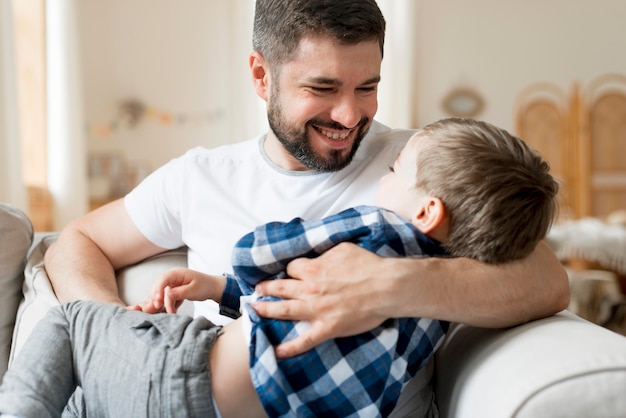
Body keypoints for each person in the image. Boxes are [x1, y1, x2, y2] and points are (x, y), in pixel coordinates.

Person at [40, 0, 569, 415]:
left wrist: (391, 286)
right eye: (323, 87)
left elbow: (546, 277)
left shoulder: (419, 165)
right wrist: (111, 340)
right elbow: (75, 244)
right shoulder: (199, 178)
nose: (349, 114)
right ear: (260, 76)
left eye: (367, 87)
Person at [0, 118, 560, 418]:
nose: (385, 176)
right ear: (262, 75)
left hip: (184, 376)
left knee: (69, 325)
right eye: (322, 88)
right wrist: (218, 290)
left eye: (397, 171)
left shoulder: (373, 230)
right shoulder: (443, 305)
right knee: (82, 397)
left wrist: (226, 276)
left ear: (427, 209)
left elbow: (259, 253)